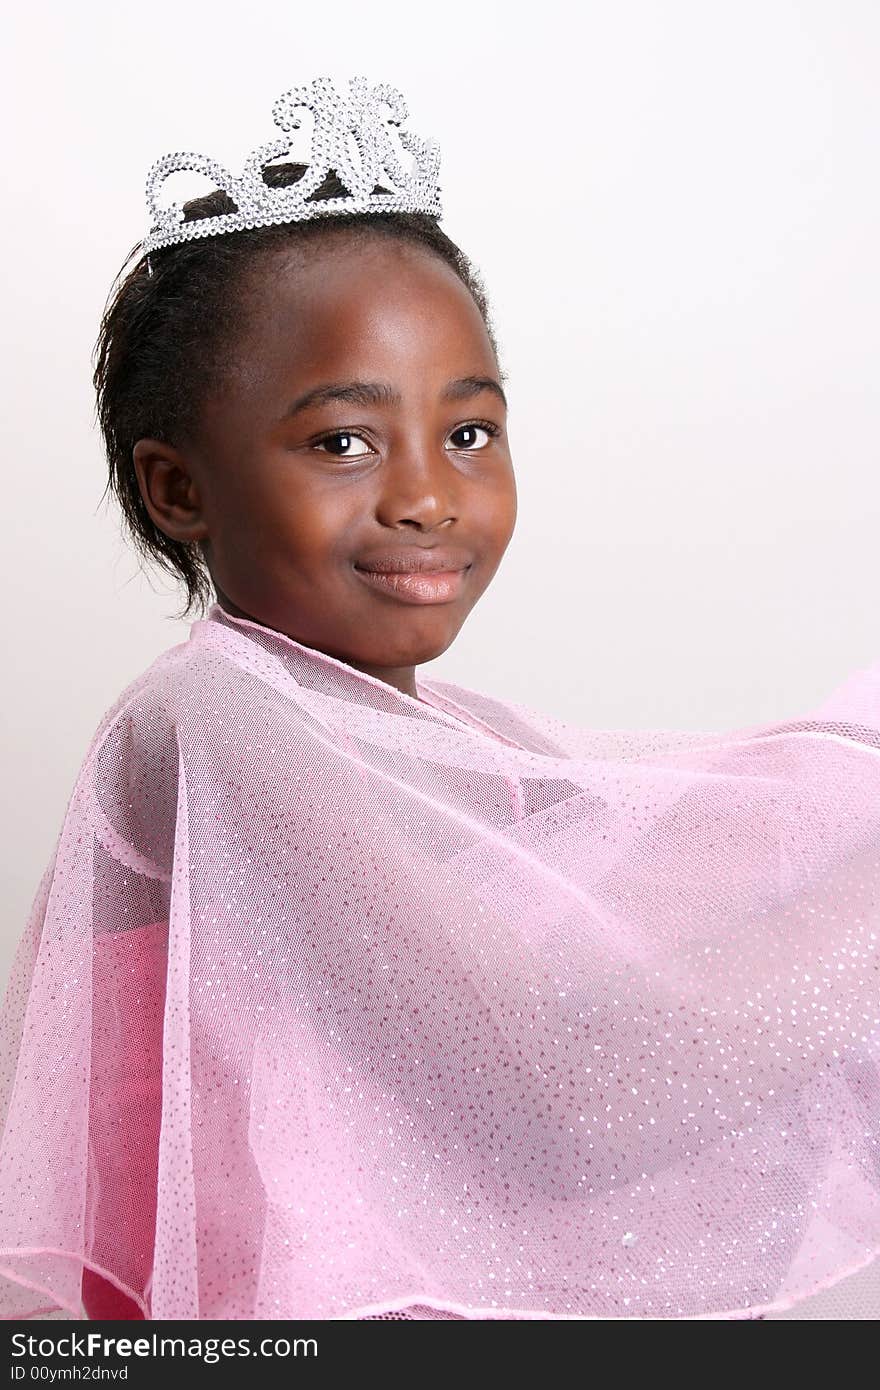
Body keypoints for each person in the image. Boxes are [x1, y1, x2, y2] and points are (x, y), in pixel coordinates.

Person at [1, 77, 878, 1322]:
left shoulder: (456, 742)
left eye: (467, 433)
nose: (426, 495)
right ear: (177, 489)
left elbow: (656, 909)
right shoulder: (221, 717)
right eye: (343, 442)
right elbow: (566, 1090)